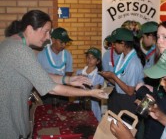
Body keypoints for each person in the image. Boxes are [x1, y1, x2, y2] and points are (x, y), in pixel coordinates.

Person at [1, 10, 107, 138]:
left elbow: (40, 75)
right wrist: (89, 93)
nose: (47, 38)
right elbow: (51, 88)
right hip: (8, 125)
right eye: (45, 31)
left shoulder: (12, 44)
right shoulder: (21, 50)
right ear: (30, 29)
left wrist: (68, 79)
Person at [111, 20, 166, 139]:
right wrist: (153, 90)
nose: (159, 41)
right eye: (158, 37)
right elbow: (162, 96)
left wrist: (144, 91)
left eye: (164, 37)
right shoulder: (164, 61)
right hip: (157, 120)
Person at [99, 28, 145, 115]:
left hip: (128, 101)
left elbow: (130, 91)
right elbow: (119, 84)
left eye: (115, 43)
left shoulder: (133, 63)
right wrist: (107, 77)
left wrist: (113, 76)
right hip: (118, 97)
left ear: (123, 43)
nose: (113, 46)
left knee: (124, 127)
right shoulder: (122, 57)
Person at [37, 27, 73, 104]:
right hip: (47, 92)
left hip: (63, 91)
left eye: (65, 42)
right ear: (53, 40)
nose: (64, 45)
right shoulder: (41, 55)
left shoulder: (67, 54)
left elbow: (69, 71)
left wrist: (63, 79)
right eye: (61, 42)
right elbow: (38, 75)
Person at [76, 47, 104, 121]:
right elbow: (75, 90)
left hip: (92, 105)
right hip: (79, 103)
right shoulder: (79, 72)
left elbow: (96, 94)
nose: (89, 60)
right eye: (88, 57)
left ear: (98, 61)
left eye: (93, 58)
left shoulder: (99, 76)